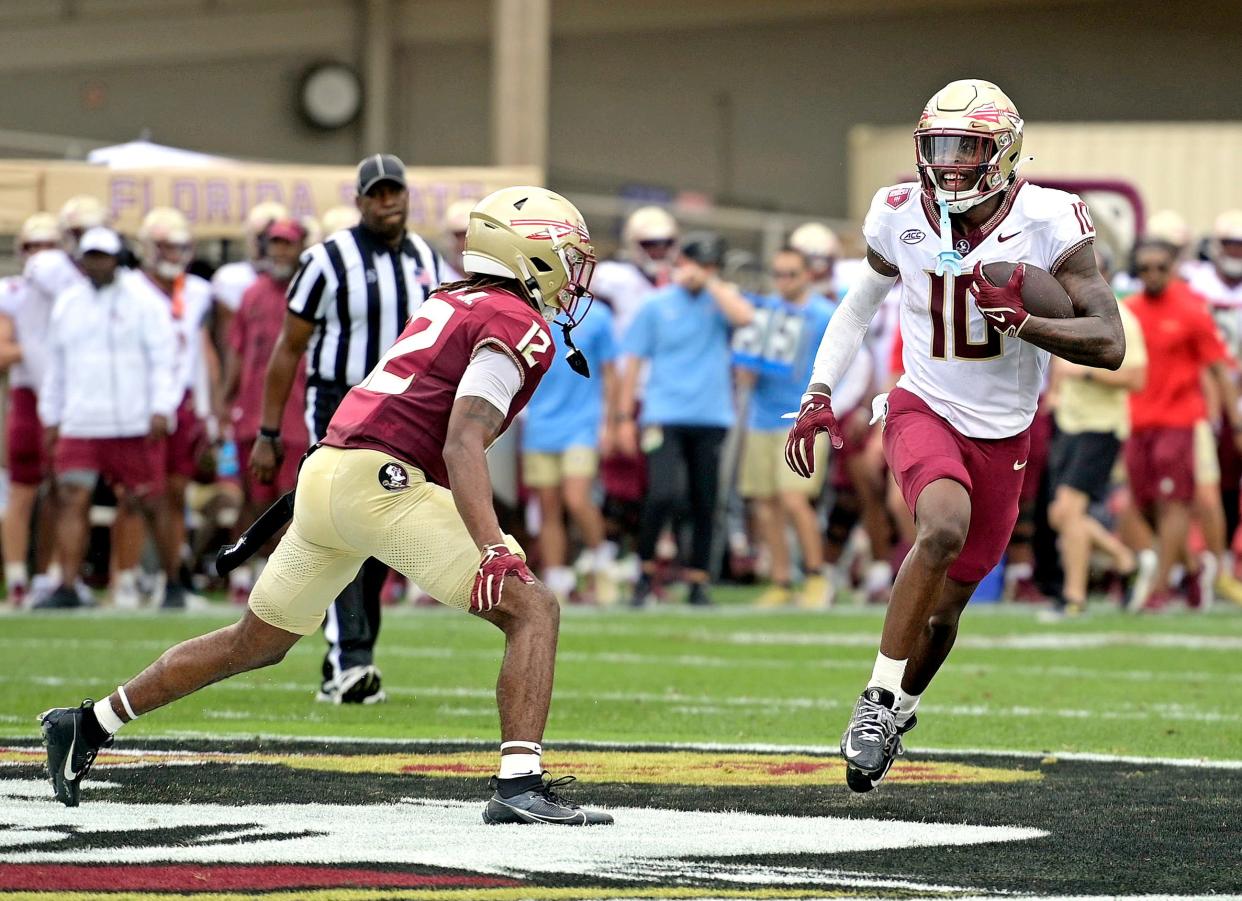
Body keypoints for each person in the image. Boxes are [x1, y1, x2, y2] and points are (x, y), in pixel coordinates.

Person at [37, 186, 613, 827]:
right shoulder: (514, 321)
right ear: (530, 253)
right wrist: (494, 544)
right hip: (382, 481)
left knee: (253, 641)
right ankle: (519, 786)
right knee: (532, 606)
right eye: (567, 254)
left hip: (327, 473)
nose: (574, 272)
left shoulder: (451, 299)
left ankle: (90, 722)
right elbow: (462, 439)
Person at [785, 79, 1125, 792]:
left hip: (1006, 430)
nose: (950, 163)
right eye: (939, 145)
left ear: (1002, 153)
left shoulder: (1051, 219)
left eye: (967, 147)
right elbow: (857, 307)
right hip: (923, 401)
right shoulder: (899, 210)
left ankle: (902, 708)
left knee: (945, 613)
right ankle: (875, 703)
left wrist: (1026, 322)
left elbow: (1109, 340)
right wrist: (819, 388)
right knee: (940, 527)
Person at [255, 154, 446, 704]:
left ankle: (349, 659)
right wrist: (269, 432)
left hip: (404, 410)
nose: (388, 201)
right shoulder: (325, 261)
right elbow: (288, 348)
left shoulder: (426, 260)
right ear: (360, 201)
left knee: (385, 535)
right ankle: (350, 660)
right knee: (346, 528)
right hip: (340, 406)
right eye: (377, 193)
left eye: (396, 192)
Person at [36, 228, 180, 610]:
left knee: (149, 501)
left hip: (134, 422)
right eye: (90, 256)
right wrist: (51, 415)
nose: (96, 263)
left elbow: (165, 357)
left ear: (118, 257)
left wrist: (162, 407)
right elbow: (57, 364)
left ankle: (174, 582)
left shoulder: (144, 299)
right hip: (80, 420)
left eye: (103, 255)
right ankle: (67, 585)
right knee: (70, 497)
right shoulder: (68, 303)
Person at [619, 232, 755, 606]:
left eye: (710, 265)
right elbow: (633, 361)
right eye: (698, 263)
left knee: (705, 499)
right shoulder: (657, 304)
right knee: (662, 494)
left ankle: (699, 580)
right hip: (664, 412)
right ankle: (645, 573)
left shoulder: (721, 301)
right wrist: (623, 417)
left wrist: (710, 282)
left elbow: (745, 318)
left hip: (711, 414)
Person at [1122, 239, 1242, 611]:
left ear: (1174, 267)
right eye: (1145, 268)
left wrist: (1234, 421)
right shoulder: (1128, 310)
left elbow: (1218, 368)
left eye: (1160, 267)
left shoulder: (1191, 309)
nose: (1153, 275)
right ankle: (1193, 568)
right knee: (1138, 504)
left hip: (1180, 419)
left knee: (1176, 502)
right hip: (1136, 420)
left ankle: (1160, 587)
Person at [734, 248, 835, 608]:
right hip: (763, 415)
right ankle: (781, 578)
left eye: (791, 274)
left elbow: (849, 359)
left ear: (808, 274)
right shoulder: (764, 312)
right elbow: (745, 370)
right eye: (778, 274)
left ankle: (816, 575)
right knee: (765, 502)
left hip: (802, 416)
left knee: (794, 498)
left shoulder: (823, 314)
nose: (783, 281)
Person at [1047, 278, 1151, 616]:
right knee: (1059, 514)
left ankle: (1074, 598)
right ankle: (1125, 560)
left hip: (1101, 426)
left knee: (1071, 512)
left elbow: (1136, 378)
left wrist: (1085, 374)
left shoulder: (1122, 319)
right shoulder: (1069, 314)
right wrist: (1056, 392)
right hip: (1069, 422)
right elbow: (1060, 369)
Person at [221, 219, 311, 605]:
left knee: (291, 503)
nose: (279, 252)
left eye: (287, 245)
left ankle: (281, 579)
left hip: (296, 414)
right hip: (253, 414)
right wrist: (225, 403)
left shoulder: (310, 292)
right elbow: (237, 353)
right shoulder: (252, 294)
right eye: (274, 244)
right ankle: (243, 571)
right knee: (250, 498)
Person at [132, 208, 217, 609]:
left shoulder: (197, 290)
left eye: (181, 246)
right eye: (166, 245)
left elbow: (203, 352)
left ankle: (171, 579)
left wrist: (206, 409)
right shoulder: (130, 287)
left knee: (176, 491)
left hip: (182, 398)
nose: (173, 253)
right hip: (139, 398)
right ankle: (128, 577)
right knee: (138, 492)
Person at [520, 300, 620, 605]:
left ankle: (601, 562)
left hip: (583, 424)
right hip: (539, 425)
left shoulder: (598, 315)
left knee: (577, 499)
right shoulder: (529, 313)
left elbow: (611, 372)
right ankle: (557, 582)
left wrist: (611, 422)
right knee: (547, 507)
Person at [0, 214, 64, 607]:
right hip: (28, 399)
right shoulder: (12, 291)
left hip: (67, 404)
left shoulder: (73, 295)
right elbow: (3, 351)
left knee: (64, 493)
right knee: (22, 494)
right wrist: (40, 350)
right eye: (34, 247)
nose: (41, 257)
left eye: (48, 247)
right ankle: (18, 578)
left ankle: (52, 576)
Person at [211, 201, 289, 347]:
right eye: (262, 237)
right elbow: (228, 341)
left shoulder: (296, 279)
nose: (268, 246)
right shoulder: (232, 278)